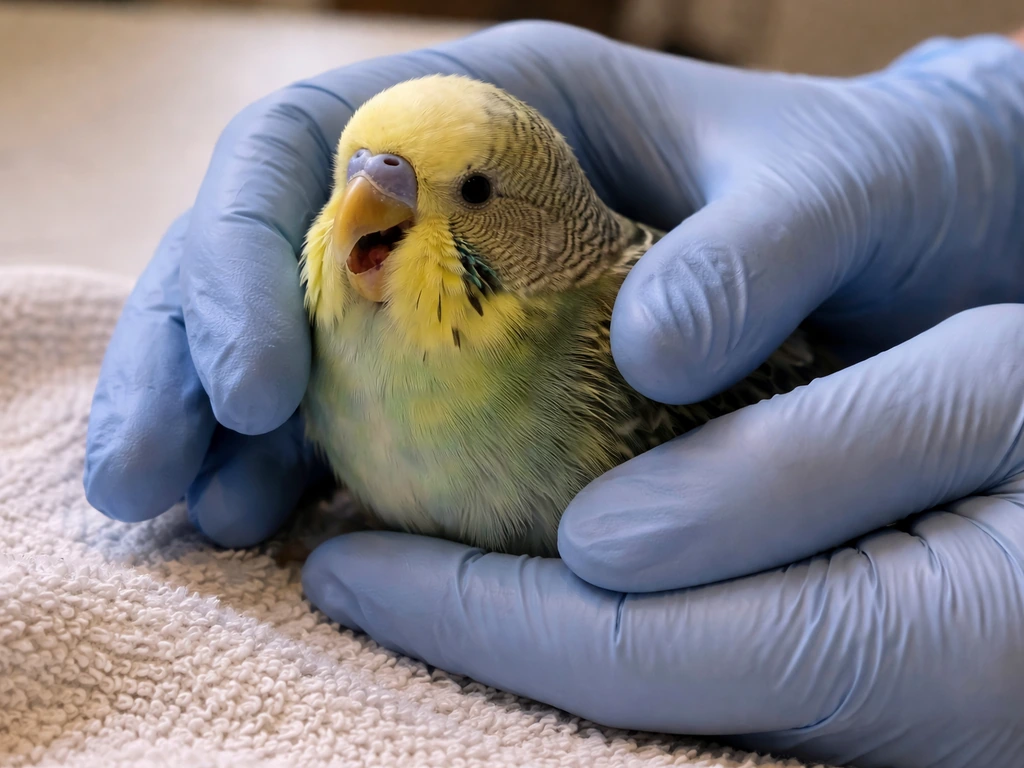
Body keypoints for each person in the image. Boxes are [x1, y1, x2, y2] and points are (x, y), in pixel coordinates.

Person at [83, 20, 1024, 768]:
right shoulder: (331, 305)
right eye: (354, 172)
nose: (369, 200)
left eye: (476, 191)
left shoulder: (599, 355)